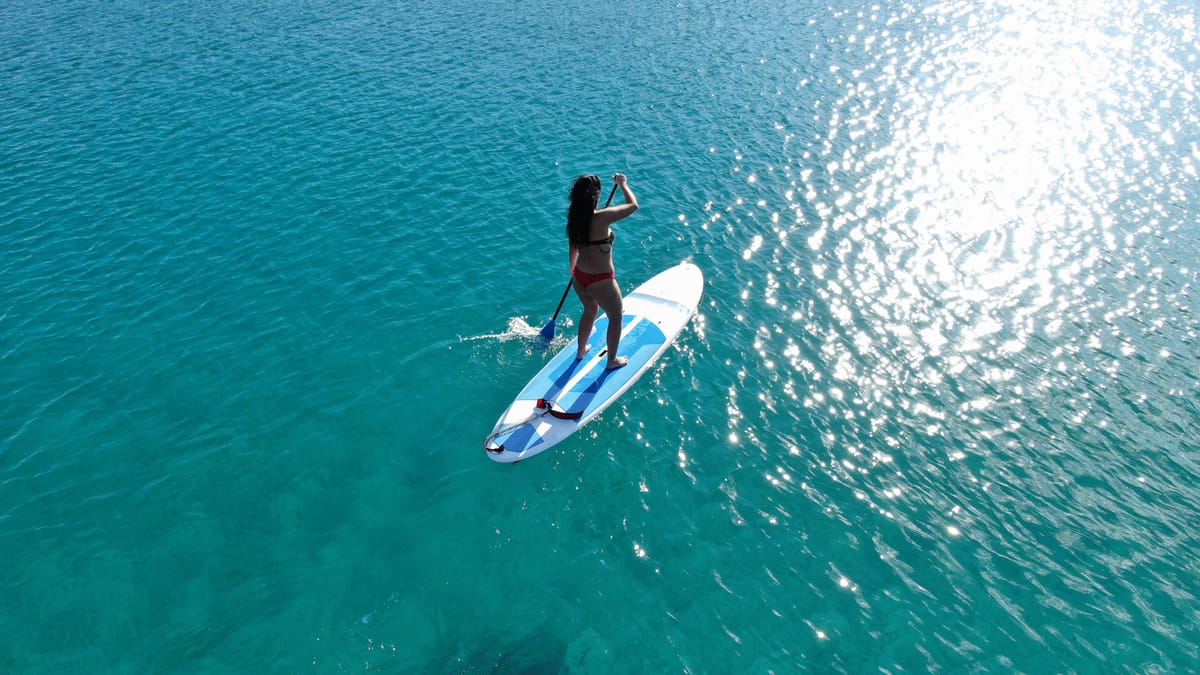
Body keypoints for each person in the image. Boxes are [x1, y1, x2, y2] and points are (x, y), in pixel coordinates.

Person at [566, 172, 638, 369]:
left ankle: (581, 350)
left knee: (590, 311)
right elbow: (633, 205)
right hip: (601, 280)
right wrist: (622, 184)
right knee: (616, 316)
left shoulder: (574, 217)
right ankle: (612, 360)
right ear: (595, 196)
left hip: (579, 277)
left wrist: (573, 268)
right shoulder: (602, 217)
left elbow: (573, 248)